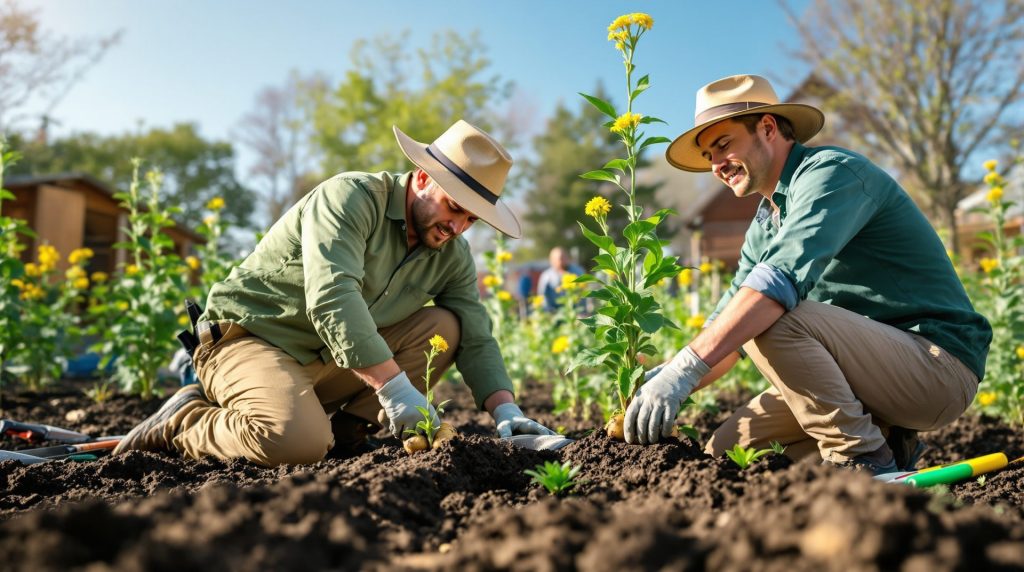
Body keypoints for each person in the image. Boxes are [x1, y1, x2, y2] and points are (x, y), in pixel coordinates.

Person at [114, 120, 555, 466]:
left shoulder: (450, 253)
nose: (457, 228)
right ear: (422, 179)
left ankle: (346, 431)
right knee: (296, 442)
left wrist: (506, 411)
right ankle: (185, 421)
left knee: (449, 325)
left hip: (328, 362)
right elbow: (332, 296)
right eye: (455, 207)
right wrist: (397, 393)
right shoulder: (350, 198)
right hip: (249, 341)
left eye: (472, 220)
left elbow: (476, 334)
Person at [625, 74, 991, 475]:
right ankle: (888, 441)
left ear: (767, 128)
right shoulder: (764, 226)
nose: (716, 165)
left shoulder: (832, 175)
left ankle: (861, 455)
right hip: (870, 374)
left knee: (768, 309)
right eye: (709, 155)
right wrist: (666, 378)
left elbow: (769, 293)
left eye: (724, 145)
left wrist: (685, 369)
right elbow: (725, 335)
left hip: (936, 367)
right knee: (727, 453)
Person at [536, 246, 584, 312]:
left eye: (564, 257)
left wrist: (583, 310)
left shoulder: (577, 271)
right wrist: (548, 311)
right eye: (559, 258)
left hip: (575, 311)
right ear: (552, 260)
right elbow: (542, 295)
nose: (562, 260)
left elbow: (583, 291)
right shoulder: (546, 276)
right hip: (555, 312)